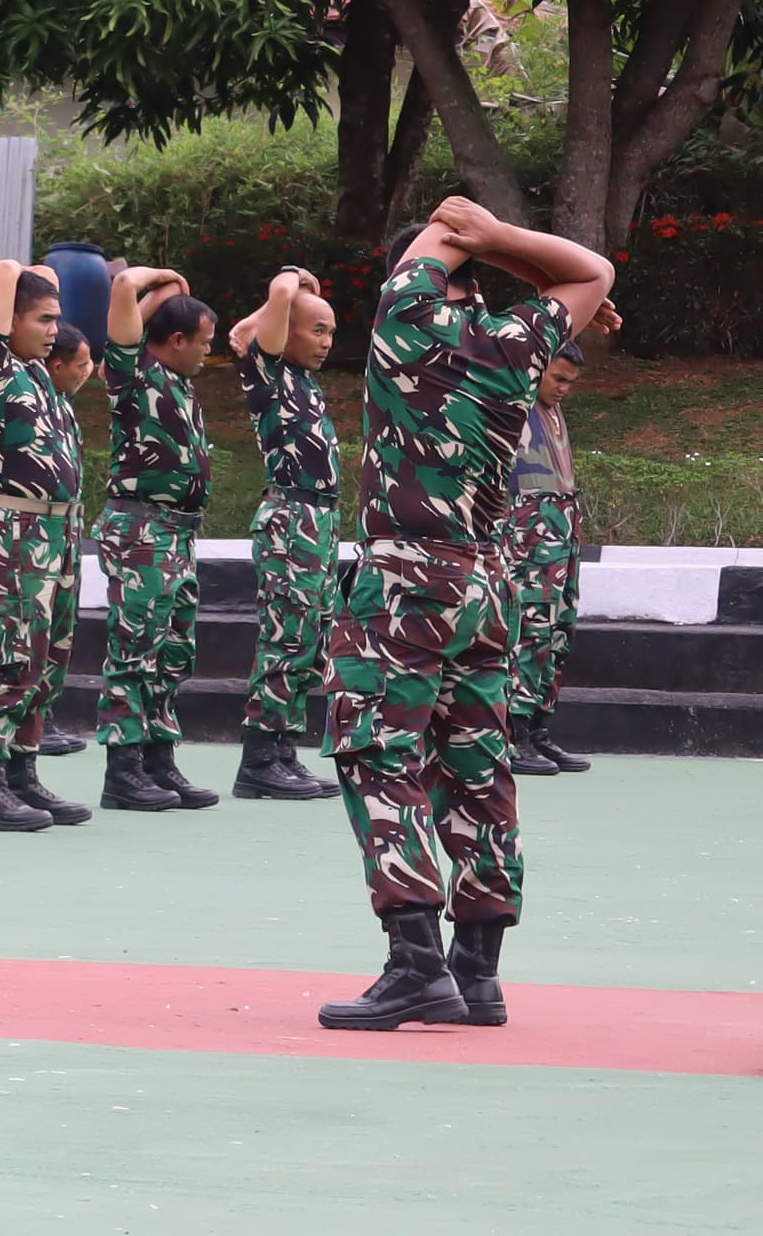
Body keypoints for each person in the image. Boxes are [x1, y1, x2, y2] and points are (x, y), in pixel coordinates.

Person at [317, 197, 609, 1032]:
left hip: (408, 576)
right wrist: (508, 246)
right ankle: (477, 972)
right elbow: (591, 272)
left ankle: (414, 962)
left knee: (378, 750)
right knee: (478, 767)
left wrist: (465, 231)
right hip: (486, 584)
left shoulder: (408, 324)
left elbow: (442, 238)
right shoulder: (513, 348)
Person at [0, 261, 93, 834]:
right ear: (6, 321)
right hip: (15, 530)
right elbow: (2, 271)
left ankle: (22, 771)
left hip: (57, 533)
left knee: (48, 658)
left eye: (57, 319)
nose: (54, 330)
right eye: (43, 318)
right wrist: (26, 274)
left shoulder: (42, 375)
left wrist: (47, 289)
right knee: (9, 655)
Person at [95, 264, 224, 812]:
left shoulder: (178, 384)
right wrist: (163, 278)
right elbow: (124, 292)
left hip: (177, 534)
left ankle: (157, 757)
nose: (207, 353)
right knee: (137, 648)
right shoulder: (134, 378)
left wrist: (174, 294)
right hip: (143, 528)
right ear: (175, 341)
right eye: (203, 343)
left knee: (172, 650)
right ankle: (124, 769)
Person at [231, 267, 345, 801]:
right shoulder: (267, 372)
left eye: (330, 332)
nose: (327, 343)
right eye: (316, 330)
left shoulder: (303, 380)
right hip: (290, 519)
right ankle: (259, 757)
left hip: (319, 520)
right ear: (285, 331)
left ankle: (283, 751)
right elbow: (275, 297)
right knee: (286, 637)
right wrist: (296, 279)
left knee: (310, 640)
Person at [502, 339, 598, 776]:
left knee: (559, 628)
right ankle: (513, 732)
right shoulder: (514, 393)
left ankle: (540, 727)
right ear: (535, 367)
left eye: (570, 382)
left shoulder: (552, 407)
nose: (562, 388)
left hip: (562, 522)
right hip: (530, 524)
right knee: (531, 626)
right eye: (557, 378)